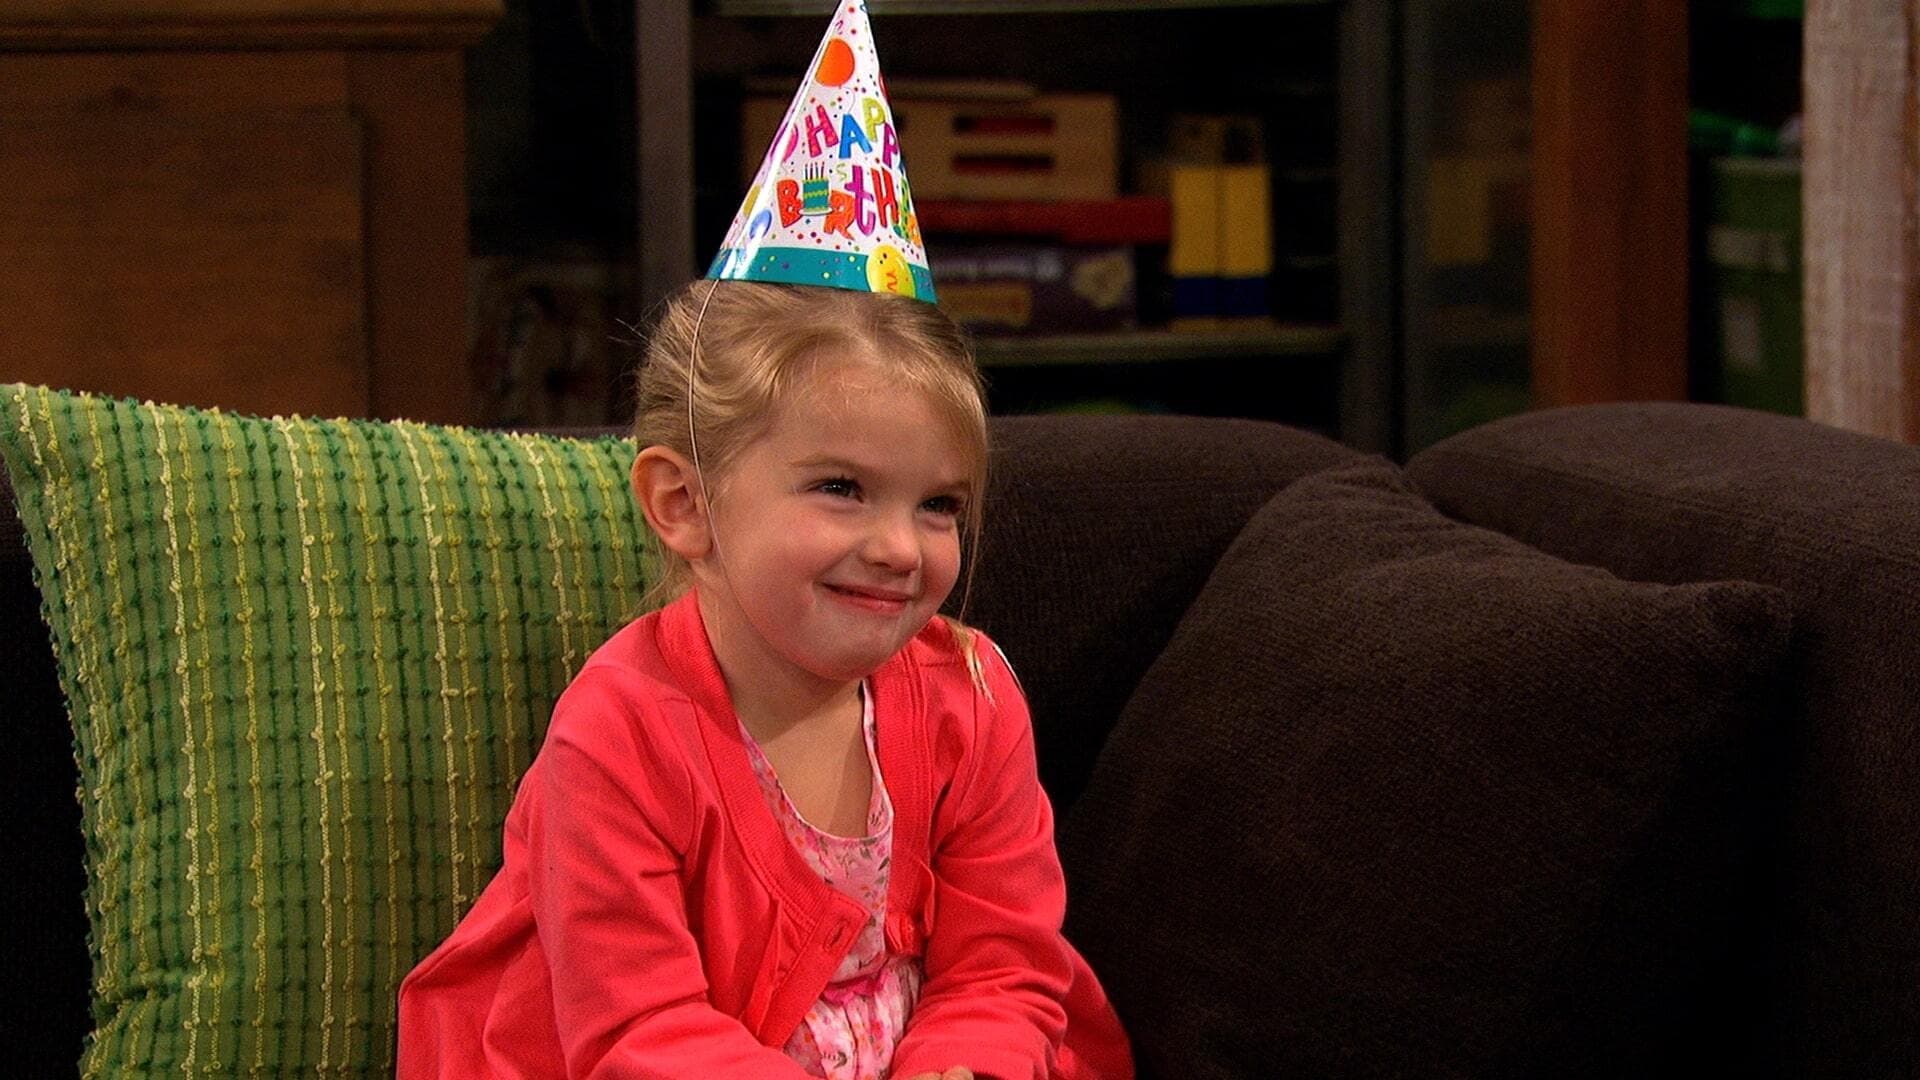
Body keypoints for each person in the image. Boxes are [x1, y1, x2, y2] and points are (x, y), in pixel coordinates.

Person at [399, 6, 1131, 1075]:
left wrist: (960, 1066)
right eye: (842, 488)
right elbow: (636, 1030)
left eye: (938, 505)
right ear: (685, 504)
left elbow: (1004, 966)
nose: (901, 547)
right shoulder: (617, 736)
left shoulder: (974, 699)